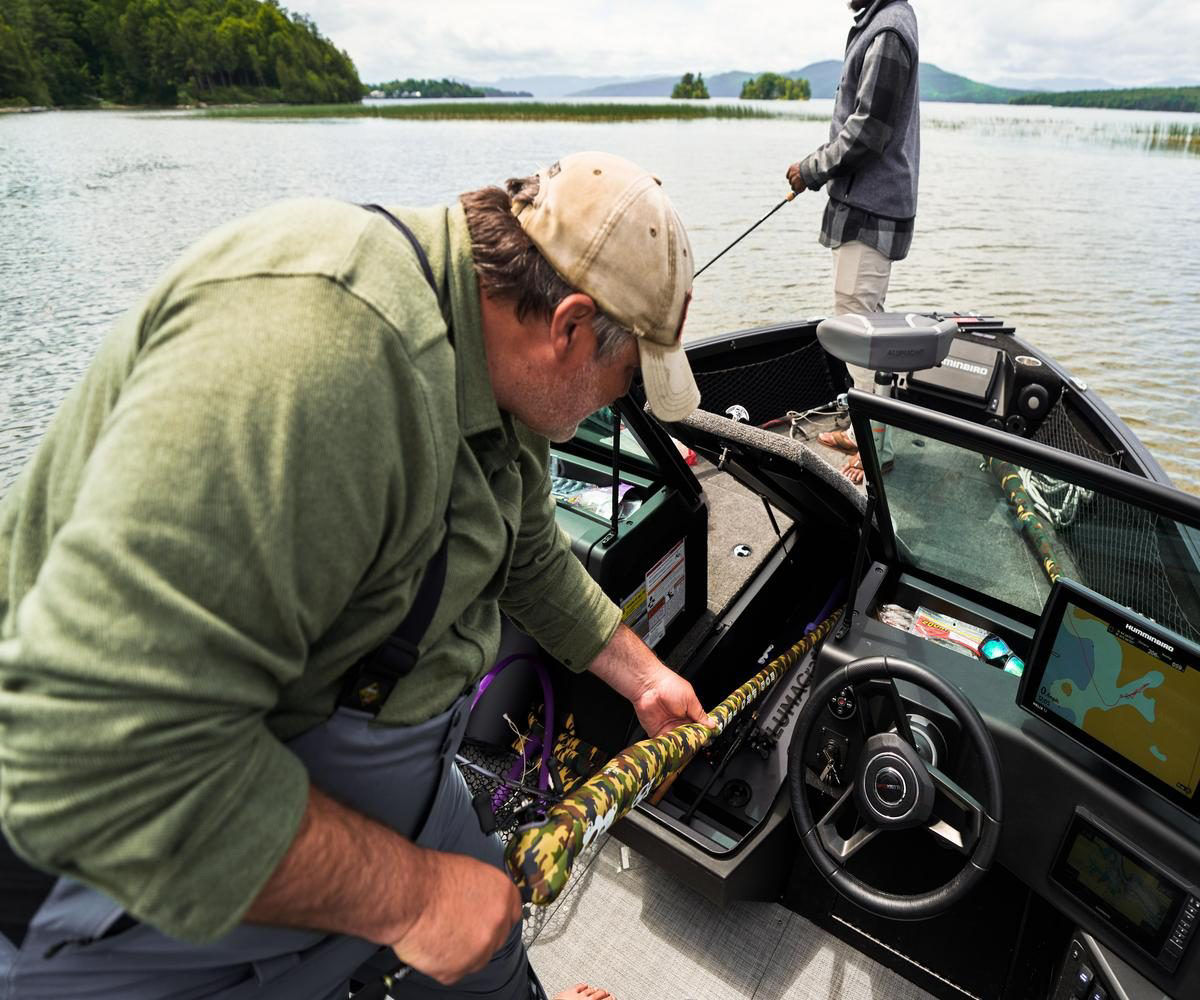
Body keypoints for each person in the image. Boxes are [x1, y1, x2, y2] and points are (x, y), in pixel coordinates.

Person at [0, 151, 708, 999]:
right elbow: (106, 760)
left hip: (388, 771)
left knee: (490, 952)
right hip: (139, 852)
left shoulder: (489, 350)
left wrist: (644, 677)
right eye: (624, 382)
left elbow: (525, 552)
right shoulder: (316, 361)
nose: (613, 407)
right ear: (568, 328)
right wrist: (413, 899)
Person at [787, 0, 921, 485]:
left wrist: (811, 169)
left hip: (871, 208)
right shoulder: (883, 24)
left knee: (858, 322)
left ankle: (874, 448)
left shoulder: (887, 32)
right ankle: (865, 428)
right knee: (860, 318)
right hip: (867, 205)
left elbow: (867, 133)